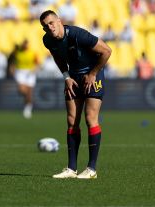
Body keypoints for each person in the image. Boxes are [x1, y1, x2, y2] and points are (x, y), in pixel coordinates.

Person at [40, 10, 112, 179]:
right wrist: (66, 77)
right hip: (73, 77)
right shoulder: (47, 40)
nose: (49, 28)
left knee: (90, 118)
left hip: (93, 75)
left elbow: (107, 51)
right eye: (45, 26)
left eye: (51, 23)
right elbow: (57, 56)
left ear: (59, 20)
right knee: (72, 121)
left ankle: (91, 169)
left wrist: (93, 73)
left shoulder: (78, 34)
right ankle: (71, 169)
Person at [10, 40, 39, 119]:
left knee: (29, 93)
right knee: (21, 90)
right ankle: (27, 101)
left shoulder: (32, 53)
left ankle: (28, 108)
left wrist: (35, 69)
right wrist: (12, 69)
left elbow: (37, 63)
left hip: (30, 72)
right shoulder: (18, 52)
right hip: (20, 72)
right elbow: (13, 62)